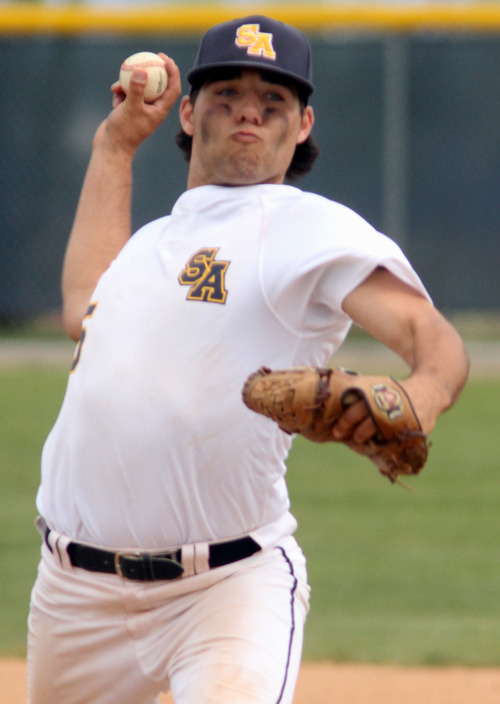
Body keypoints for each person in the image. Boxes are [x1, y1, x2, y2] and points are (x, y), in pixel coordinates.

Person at [28, 15, 469, 704]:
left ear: (302, 126)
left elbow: (427, 332)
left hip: (224, 591)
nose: (249, 112)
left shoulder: (304, 227)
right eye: (227, 94)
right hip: (73, 599)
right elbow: (82, 306)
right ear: (188, 111)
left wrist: (426, 395)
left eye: (273, 102)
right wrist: (115, 145)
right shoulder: (150, 242)